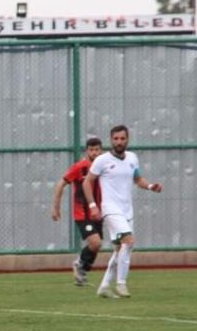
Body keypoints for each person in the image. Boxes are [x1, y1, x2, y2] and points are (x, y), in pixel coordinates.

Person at [82, 125, 163, 299]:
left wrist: (150, 186)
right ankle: (121, 283)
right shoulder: (102, 160)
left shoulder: (132, 158)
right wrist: (93, 205)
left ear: (127, 139)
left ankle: (104, 286)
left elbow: (137, 178)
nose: (119, 142)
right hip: (110, 209)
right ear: (111, 140)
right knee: (129, 241)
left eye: (122, 138)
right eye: (116, 139)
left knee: (120, 249)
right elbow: (87, 182)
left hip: (127, 210)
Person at [51, 136, 104, 286]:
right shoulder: (79, 167)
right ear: (87, 151)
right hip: (82, 213)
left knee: (97, 246)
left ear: (101, 151)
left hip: (98, 213)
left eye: (97, 150)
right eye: (91, 150)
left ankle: (82, 273)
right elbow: (61, 184)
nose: (94, 153)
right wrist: (56, 207)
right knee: (95, 242)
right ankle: (79, 263)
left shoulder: (104, 167)